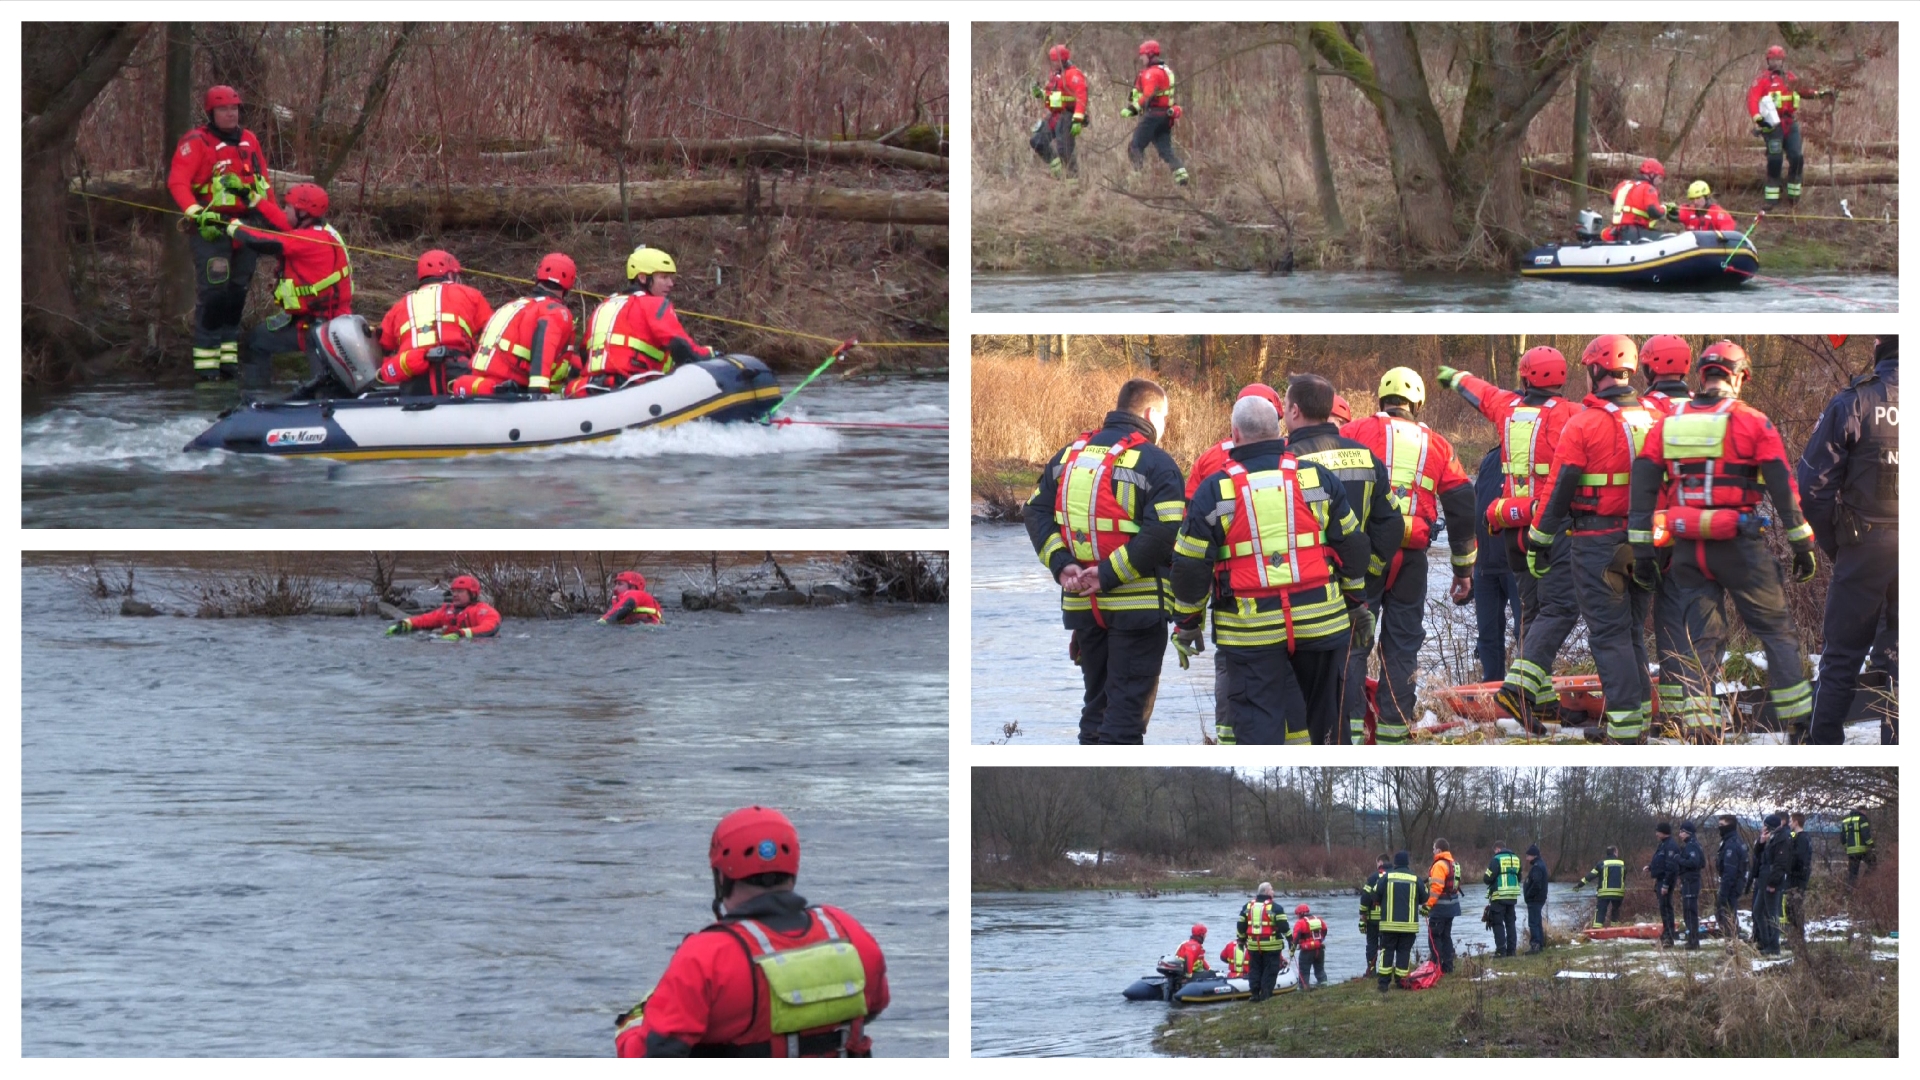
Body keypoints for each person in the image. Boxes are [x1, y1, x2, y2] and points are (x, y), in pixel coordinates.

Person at [1628, 340, 1820, 741]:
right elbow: (1783, 487)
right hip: (1738, 546)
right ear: (1738, 377)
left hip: (1686, 550)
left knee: (1703, 639)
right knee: (1775, 630)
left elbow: (1643, 490)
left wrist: (1644, 552)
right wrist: (1802, 542)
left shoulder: (1669, 423)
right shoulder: (1752, 422)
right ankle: (1800, 724)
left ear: (1702, 375)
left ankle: (1702, 729)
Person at [1170, 394, 1367, 745]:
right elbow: (1352, 546)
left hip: (1251, 633)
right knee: (1327, 727)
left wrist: (1187, 624)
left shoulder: (1215, 491)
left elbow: (1189, 566)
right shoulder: (1316, 480)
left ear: (1235, 434)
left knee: (1259, 731)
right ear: (1279, 430)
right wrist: (1356, 602)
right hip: (1321, 623)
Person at [615, 806, 888, 1056]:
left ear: (721, 878)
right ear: (793, 869)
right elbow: (873, 1006)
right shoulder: (847, 930)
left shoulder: (705, 956)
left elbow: (652, 1057)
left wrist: (630, 1027)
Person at [1026, 379, 1186, 744]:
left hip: (1083, 604)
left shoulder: (1069, 456)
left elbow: (1035, 511)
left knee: (1096, 708)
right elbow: (1165, 533)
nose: (1163, 428)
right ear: (1150, 414)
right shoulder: (1157, 464)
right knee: (1126, 716)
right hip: (1138, 609)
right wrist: (1112, 573)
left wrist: (1061, 563)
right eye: (1165, 419)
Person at [1438, 351, 1585, 727]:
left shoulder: (1508, 408)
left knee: (1534, 613)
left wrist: (1456, 376)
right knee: (1561, 608)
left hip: (1510, 526)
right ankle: (1518, 691)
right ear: (1562, 380)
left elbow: (1481, 392)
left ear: (1524, 380)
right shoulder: (1571, 413)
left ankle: (1542, 697)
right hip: (1550, 526)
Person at [1524, 335, 1657, 740]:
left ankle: (1623, 729)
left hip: (1598, 541)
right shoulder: (1655, 419)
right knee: (1632, 632)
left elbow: (1559, 490)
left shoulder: (1583, 423)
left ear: (1596, 370)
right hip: (1646, 542)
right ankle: (1636, 721)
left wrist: (1538, 540)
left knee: (1609, 634)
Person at [1339, 368, 1477, 743]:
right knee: (1401, 648)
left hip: (1362, 556)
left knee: (1352, 643)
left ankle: (1346, 733)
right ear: (1417, 404)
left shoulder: (1353, 433)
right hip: (1412, 559)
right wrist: (1463, 570)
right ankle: (1393, 733)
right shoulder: (1439, 446)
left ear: (1380, 400)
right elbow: (1464, 504)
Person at [1281, 373, 1405, 744]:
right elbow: (1391, 523)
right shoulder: (1366, 458)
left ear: (1294, 411)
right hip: (1358, 588)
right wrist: (1368, 570)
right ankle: (1345, 738)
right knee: (1349, 661)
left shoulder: (1285, 461)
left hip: (1303, 591)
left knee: (1296, 674)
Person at [1799, 336, 1898, 745]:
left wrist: (1837, 542)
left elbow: (1810, 485)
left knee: (1841, 659)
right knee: (1901, 658)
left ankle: (1822, 744)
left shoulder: (1857, 401)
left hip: (1866, 546)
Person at [167, 84, 293, 382]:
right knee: (214, 294)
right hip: (212, 228)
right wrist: (197, 215)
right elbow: (177, 183)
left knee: (237, 293)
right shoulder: (196, 142)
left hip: (246, 226)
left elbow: (264, 187)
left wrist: (281, 227)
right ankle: (206, 366)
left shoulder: (248, 141)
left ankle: (228, 361)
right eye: (224, 109)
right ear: (212, 112)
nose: (230, 113)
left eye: (234, 108)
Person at [1186, 383, 1288, 745]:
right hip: (1297, 591)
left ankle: (1227, 738)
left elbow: (1191, 527)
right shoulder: (1292, 460)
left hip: (1230, 587)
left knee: (1230, 664)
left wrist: (1188, 617)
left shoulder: (1208, 460)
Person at [1636, 334, 1718, 725]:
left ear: (1649, 367)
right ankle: (1700, 712)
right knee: (1704, 622)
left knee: (1669, 620)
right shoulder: (1712, 410)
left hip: (1664, 531)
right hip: (1711, 529)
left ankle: (1672, 716)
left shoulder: (1644, 411)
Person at [226, 183, 353, 392]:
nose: (284, 210)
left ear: (303, 212)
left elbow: (263, 241)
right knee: (258, 340)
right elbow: (277, 218)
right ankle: (258, 399)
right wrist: (251, 198)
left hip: (324, 328)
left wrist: (230, 226)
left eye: (288, 206)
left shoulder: (309, 239)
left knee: (323, 383)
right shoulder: (311, 230)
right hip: (305, 322)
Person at [566, 247, 715, 397]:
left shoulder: (604, 305)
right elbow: (681, 347)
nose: (671, 283)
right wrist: (710, 354)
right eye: (664, 277)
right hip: (632, 386)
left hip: (589, 388)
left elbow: (585, 353)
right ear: (643, 278)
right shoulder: (655, 304)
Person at [450, 253, 580, 398]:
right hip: (512, 389)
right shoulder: (555, 312)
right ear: (570, 283)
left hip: (479, 384)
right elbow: (544, 348)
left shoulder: (512, 306)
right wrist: (539, 393)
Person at [378, 250, 494, 395]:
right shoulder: (469, 294)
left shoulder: (400, 306)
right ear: (451, 274)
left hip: (413, 377)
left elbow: (382, 346)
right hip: (456, 369)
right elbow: (492, 332)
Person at [1746, 45, 1831, 206]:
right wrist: (1758, 119)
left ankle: (1794, 196)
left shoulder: (1790, 78)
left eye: (1779, 60)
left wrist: (1821, 94)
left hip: (1790, 123)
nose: (1776, 63)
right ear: (1768, 60)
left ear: (1783, 61)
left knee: (1797, 157)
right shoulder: (1762, 80)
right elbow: (1752, 100)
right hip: (1771, 125)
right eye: (1773, 60)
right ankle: (1772, 198)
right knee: (1775, 159)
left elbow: (1804, 91)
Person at [1472, 445, 1522, 683]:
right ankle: (1491, 690)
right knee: (1487, 635)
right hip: (1486, 564)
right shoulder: (1490, 459)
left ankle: (1526, 691)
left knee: (1525, 631)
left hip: (1518, 561)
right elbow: (1477, 505)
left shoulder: (1529, 455)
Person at [1121, 39, 1188, 185]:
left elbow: (1148, 94)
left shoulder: (1152, 73)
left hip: (1153, 115)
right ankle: (1181, 175)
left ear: (1150, 55)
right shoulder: (1167, 71)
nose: (1141, 58)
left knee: (1135, 146)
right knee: (1165, 150)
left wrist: (1132, 109)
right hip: (1166, 116)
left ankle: (1135, 180)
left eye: (1143, 55)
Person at [1029, 44, 1088, 178]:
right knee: (1037, 140)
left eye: (1055, 60)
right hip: (1055, 115)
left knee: (1065, 151)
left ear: (1062, 59)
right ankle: (1058, 171)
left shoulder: (1073, 74)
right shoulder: (1056, 74)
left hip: (1068, 115)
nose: (1053, 63)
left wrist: (1077, 120)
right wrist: (1041, 94)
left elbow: (1081, 97)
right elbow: (1053, 95)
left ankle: (1073, 184)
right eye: (1052, 60)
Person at [384, 575, 502, 640]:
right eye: (454, 591)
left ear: (472, 594)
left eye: (460, 591)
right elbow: (426, 619)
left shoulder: (484, 610)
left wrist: (462, 633)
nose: (455, 595)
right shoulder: (447, 610)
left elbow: (490, 627)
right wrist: (405, 624)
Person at [1376, 851, 1428, 993]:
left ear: (1395, 863)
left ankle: (1383, 983)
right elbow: (1425, 898)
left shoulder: (1387, 877)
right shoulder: (1416, 879)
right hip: (1409, 926)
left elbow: (1375, 895)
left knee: (1387, 951)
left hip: (1389, 925)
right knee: (1404, 952)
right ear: (1407, 863)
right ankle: (1401, 981)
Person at [1237, 884, 1289, 1002]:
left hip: (1254, 946)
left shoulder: (1247, 906)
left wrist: (1242, 939)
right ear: (1266, 892)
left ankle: (1255, 994)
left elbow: (1240, 925)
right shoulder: (1275, 908)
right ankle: (1266, 995)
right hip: (1272, 946)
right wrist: (1291, 940)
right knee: (1270, 970)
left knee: (1255, 969)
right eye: (1272, 889)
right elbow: (1284, 927)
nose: (1273, 891)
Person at [1602, 158, 1674, 242]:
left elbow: (1611, 199)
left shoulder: (1623, 184)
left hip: (1616, 231)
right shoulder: (1648, 188)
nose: (1660, 182)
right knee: (1669, 239)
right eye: (1660, 178)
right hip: (1633, 232)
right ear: (1651, 175)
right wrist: (1665, 208)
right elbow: (1655, 212)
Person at [1753, 814, 1793, 956]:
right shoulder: (1769, 839)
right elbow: (1758, 855)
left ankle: (1774, 945)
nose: (1762, 827)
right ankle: (1765, 941)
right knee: (1757, 911)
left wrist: (1773, 882)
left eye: (1765, 825)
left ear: (1769, 826)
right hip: (1762, 880)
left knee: (1772, 914)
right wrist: (1761, 842)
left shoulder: (1783, 839)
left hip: (1772, 882)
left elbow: (1780, 864)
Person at [1423, 838, 1461, 974]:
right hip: (1452, 907)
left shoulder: (1439, 865)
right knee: (1446, 936)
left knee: (1434, 937)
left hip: (1440, 907)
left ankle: (1437, 966)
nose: (1433, 851)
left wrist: (1427, 905)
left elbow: (1436, 888)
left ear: (1438, 850)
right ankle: (1448, 966)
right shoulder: (1453, 863)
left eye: (1433, 848)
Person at [1483, 841, 1522, 957]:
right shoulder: (1516, 859)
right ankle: (1512, 951)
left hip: (1499, 896)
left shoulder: (1496, 859)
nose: (1494, 853)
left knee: (1498, 923)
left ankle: (1501, 951)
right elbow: (1519, 877)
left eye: (1494, 851)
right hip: (1512, 897)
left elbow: (1487, 878)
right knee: (1510, 923)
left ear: (1498, 849)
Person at [1714, 814, 1750, 939]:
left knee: (1727, 915)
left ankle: (1732, 946)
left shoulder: (1732, 845)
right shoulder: (1730, 842)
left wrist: (1723, 893)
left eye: (1722, 825)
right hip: (1733, 884)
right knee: (1727, 915)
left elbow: (1729, 871)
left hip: (1731, 886)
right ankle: (1731, 944)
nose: (1719, 828)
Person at [1674, 821, 1706, 950]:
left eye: (1682, 832)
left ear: (1688, 833)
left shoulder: (1692, 846)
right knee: (1688, 911)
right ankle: (1692, 940)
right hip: (1689, 881)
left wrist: (1678, 859)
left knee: (1690, 911)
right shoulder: (1691, 845)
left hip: (1691, 882)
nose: (1680, 834)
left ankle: (1694, 941)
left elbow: (1694, 863)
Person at [1577, 846, 1627, 927]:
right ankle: (1615, 930)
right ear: (1614, 852)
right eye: (1617, 852)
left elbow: (1591, 876)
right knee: (1615, 911)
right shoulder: (1622, 863)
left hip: (1604, 893)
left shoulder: (1601, 864)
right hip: (1619, 893)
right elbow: (1623, 877)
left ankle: (1597, 930)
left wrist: (1580, 885)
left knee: (1601, 911)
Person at [1648, 823, 1679, 946]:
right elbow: (1661, 862)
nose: (1656, 834)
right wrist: (1651, 867)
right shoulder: (1663, 845)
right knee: (1663, 909)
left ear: (1664, 832)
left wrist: (1666, 885)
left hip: (1666, 881)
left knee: (1666, 909)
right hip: (1660, 880)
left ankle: (1669, 938)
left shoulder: (1670, 846)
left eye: (1658, 831)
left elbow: (1671, 867)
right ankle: (1665, 936)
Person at [1785, 813, 1813, 946]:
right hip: (1793, 877)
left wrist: (1790, 867)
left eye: (1791, 821)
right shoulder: (1796, 836)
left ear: (1796, 822)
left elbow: (1799, 858)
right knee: (1789, 908)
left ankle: (1798, 938)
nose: (1789, 823)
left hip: (1798, 878)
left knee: (1795, 908)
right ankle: (1793, 937)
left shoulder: (1802, 838)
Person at [1359, 853, 1389, 976]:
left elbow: (1365, 898)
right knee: (1386, 946)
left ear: (1380, 863)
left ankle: (1371, 971)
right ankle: (1385, 969)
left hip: (1373, 919)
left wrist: (1362, 917)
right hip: (1388, 918)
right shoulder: (1393, 876)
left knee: (1372, 944)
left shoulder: (1373, 877)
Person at [1290, 903, 1328, 989]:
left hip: (1307, 951)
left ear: (1300, 914)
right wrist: (1321, 940)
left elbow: (1295, 939)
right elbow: (1325, 930)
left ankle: (1304, 989)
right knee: (1320, 970)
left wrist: (1292, 951)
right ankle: (1325, 986)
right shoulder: (1318, 919)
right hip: (1319, 949)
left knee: (1304, 972)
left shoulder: (1300, 923)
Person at [1522, 844, 1549, 954]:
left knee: (1533, 923)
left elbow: (1536, 884)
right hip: (1539, 899)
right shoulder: (1540, 865)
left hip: (1535, 899)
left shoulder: (1537, 867)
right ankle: (1540, 945)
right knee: (1537, 922)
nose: (1526, 858)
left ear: (1533, 856)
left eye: (1528, 856)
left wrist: (1528, 894)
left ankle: (1535, 946)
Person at [1174, 923, 1212, 992]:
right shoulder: (1195, 946)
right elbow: (1189, 959)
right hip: (1189, 974)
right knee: (1212, 975)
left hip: (1182, 973)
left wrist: (1209, 969)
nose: (1206, 936)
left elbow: (1201, 960)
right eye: (1205, 934)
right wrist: (1189, 977)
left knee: (1211, 972)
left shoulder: (1187, 943)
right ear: (1201, 935)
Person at [1841, 808, 1875, 885]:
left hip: (1851, 852)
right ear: (1861, 811)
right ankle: (1864, 883)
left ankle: (1851, 890)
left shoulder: (1845, 821)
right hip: (1862, 850)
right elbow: (1865, 834)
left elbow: (1842, 838)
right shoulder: (1862, 819)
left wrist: (1847, 847)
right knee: (1873, 864)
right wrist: (1871, 845)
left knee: (1853, 873)